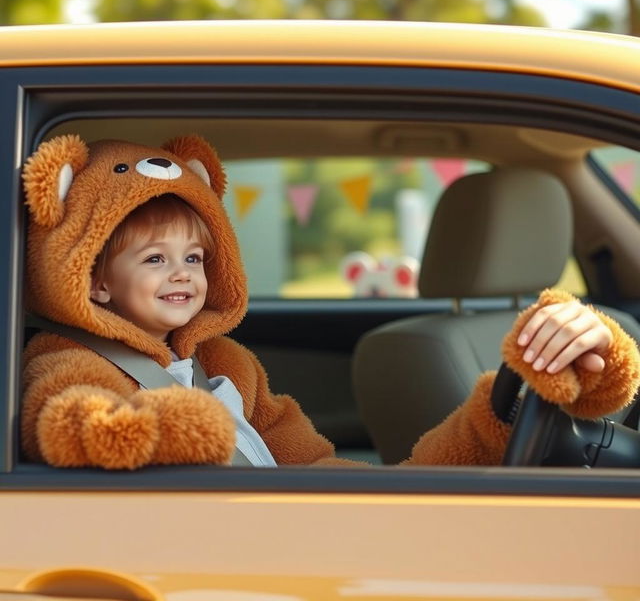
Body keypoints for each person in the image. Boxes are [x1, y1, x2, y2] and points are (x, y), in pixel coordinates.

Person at [20, 135, 640, 470]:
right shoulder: (66, 359)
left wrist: (501, 415)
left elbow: (309, 465)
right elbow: (70, 424)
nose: (182, 274)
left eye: (195, 258)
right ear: (94, 279)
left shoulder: (227, 365)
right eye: (154, 260)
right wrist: (173, 427)